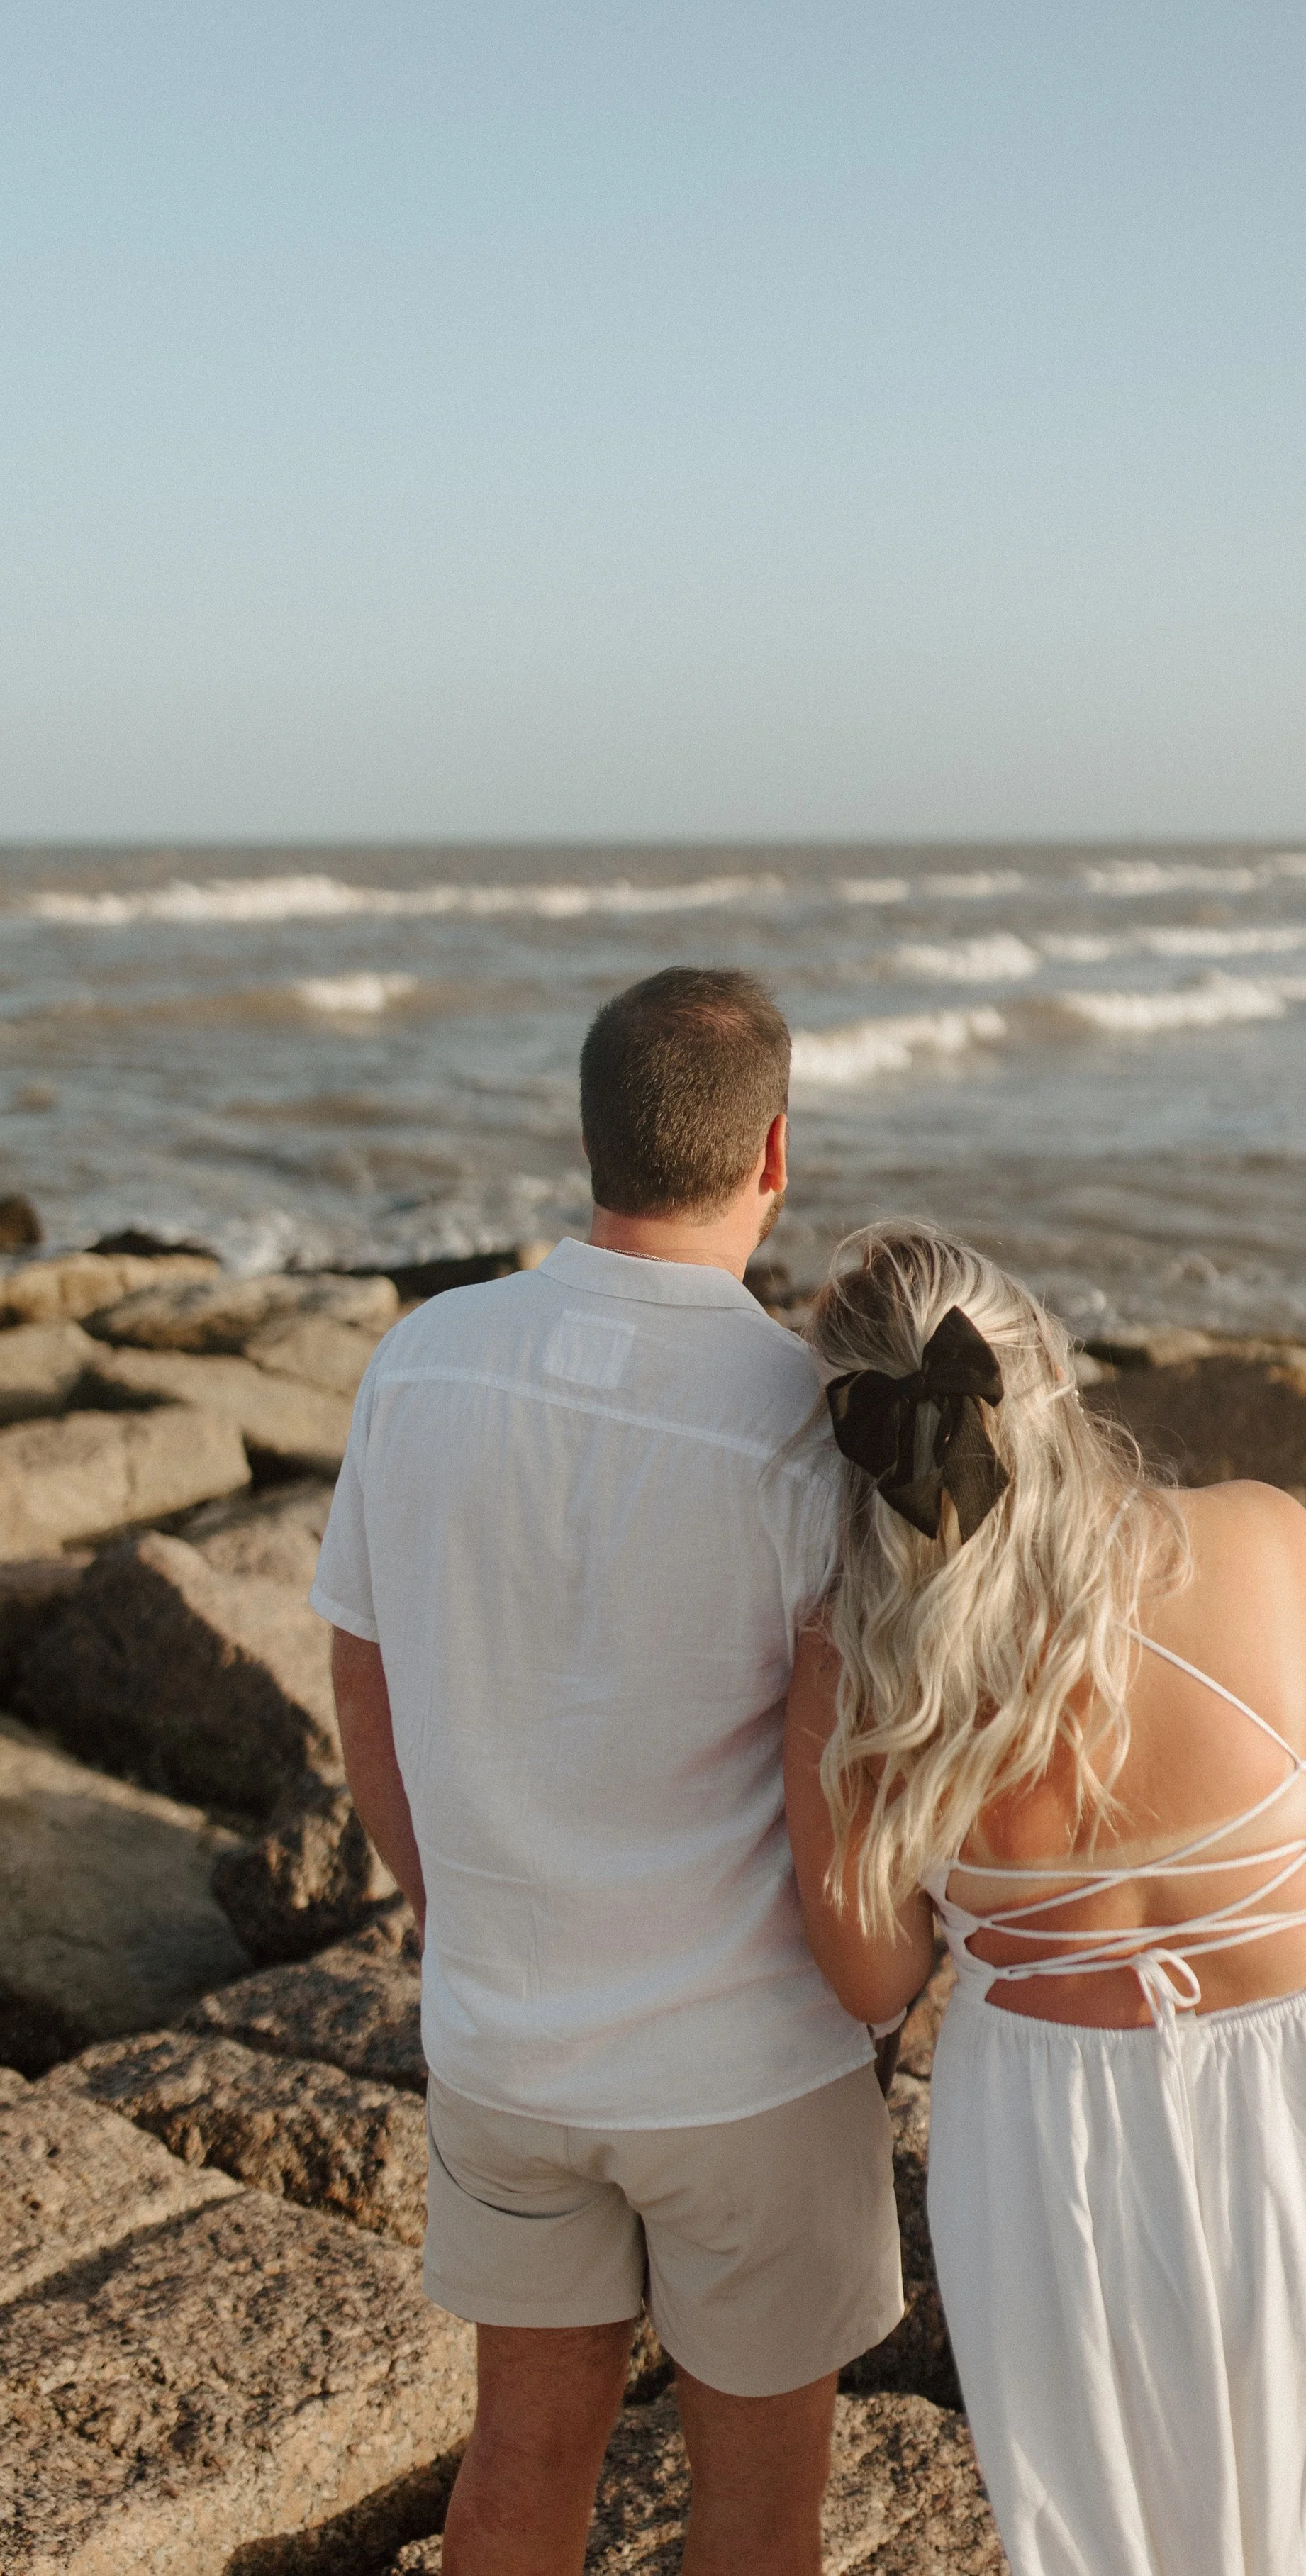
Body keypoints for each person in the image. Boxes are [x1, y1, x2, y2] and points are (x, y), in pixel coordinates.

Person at [784, 1221, 1306, 2576]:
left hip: (1065, 2155)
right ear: (1050, 1372)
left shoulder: (855, 1673)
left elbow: (873, 1982)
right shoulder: (1265, 1538)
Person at [313, 968, 903, 2576]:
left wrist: (452, 1910)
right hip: (748, 2071)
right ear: (773, 1153)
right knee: (758, 2512)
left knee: (516, 2466)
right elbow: (845, 1771)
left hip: (506, 2042)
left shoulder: (420, 1362)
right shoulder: (806, 1422)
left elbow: (363, 1678)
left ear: (589, 1140)